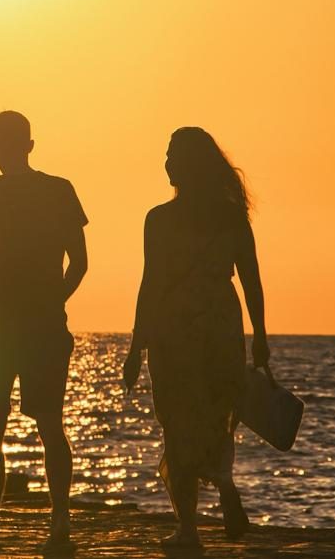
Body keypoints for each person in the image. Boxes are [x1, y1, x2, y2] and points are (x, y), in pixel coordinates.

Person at [123, 127, 270, 549]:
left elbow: (150, 285)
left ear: (189, 164)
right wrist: (259, 335)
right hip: (221, 328)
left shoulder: (160, 219)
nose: (166, 163)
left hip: (174, 332)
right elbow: (251, 283)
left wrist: (137, 346)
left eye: (172, 156)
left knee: (177, 425)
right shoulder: (231, 219)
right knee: (218, 419)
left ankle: (188, 528)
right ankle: (223, 482)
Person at [0, 111, 89, 553]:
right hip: (33, 328)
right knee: (46, 424)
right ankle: (57, 524)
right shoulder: (57, 191)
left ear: (24, 146)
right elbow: (80, 263)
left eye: (1, 146)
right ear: (29, 145)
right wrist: (54, 302)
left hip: (5, 330)